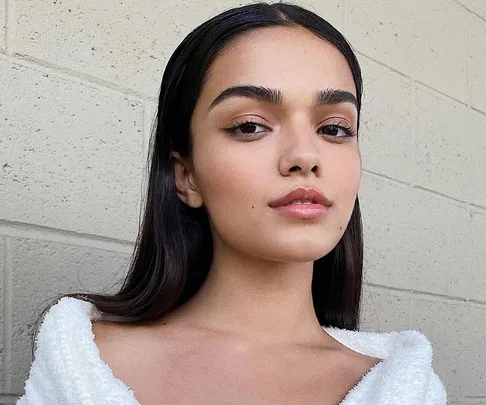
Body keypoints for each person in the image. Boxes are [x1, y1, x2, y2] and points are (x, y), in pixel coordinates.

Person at [16, 2, 446, 404]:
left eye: (334, 129)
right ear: (186, 176)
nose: (305, 156)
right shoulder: (83, 359)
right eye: (250, 126)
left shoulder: (405, 387)